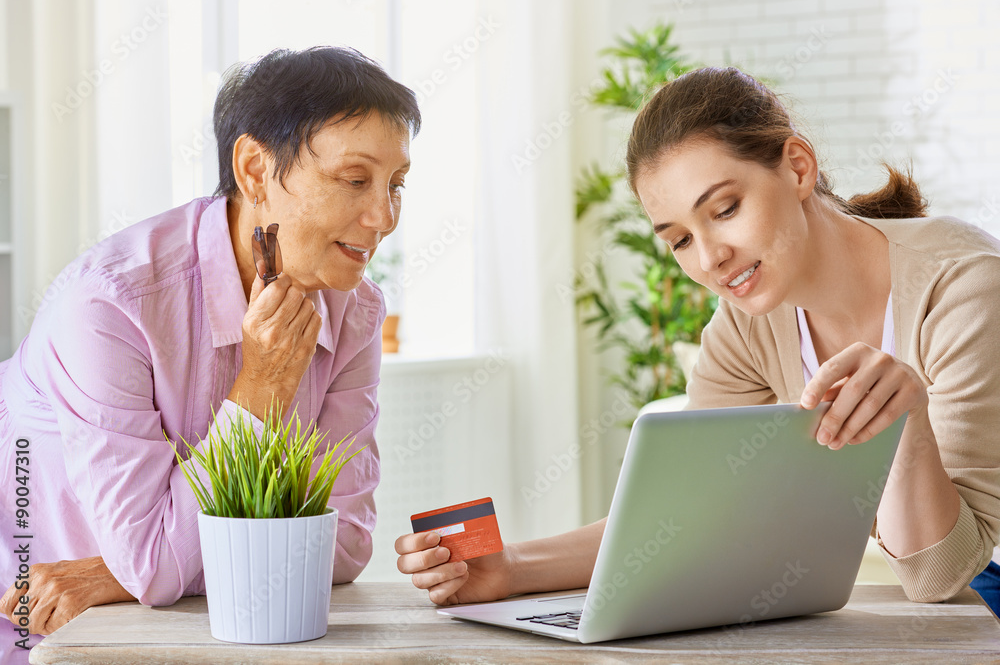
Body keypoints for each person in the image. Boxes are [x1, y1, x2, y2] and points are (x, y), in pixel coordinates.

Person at [396, 66, 1000, 614]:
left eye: (726, 208)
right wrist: (512, 567)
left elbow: (942, 575)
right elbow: (679, 512)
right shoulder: (747, 320)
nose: (710, 258)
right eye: (680, 239)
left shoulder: (963, 287)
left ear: (796, 167)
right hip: (896, 606)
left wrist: (907, 419)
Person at [0, 46, 419, 659]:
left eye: (396, 185)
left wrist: (124, 574)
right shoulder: (112, 307)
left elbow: (347, 543)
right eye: (355, 180)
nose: (383, 217)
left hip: (194, 628)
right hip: (37, 631)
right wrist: (263, 387)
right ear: (253, 169)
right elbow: (154, 563)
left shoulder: (353, 310)